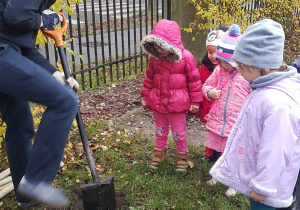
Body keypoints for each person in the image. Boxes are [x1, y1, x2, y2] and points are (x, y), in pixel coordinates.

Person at [209, 19, 300, 209]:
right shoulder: (270, 88)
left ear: (254, 66)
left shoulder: (277, 102)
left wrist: (263, 186)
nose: (239, 72)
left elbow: (277, 147)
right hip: (261, 177)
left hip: (270, 191)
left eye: (240, 67)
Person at [0, 0, 79, 208]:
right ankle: (35, 181)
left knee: (19, 124)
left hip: (8, 52)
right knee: (65, 101)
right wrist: (43, 19)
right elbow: (16, 16)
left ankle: (26, 196)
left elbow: (24, 48)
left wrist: (55, 74)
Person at [140, 19, 203, 173]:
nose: (159, 49)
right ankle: (160, 153)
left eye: (163, 46)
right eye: (156, 46)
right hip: (158, 102)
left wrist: (195, 101)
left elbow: (194, 80)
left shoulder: (186, 58)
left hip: (177, 105)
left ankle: (182, 156)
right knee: (160, 130)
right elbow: (149, 78)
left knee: (179, 132)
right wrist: (145, 95)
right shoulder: (155, 59)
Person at [202, 24, 251, 196]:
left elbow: (254, 95)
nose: (221, 64)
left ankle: (235, 183)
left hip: (236, 122)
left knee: (236, 153)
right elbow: (206, 84)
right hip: (219, 120)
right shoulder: (218, 71)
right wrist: (209, 92)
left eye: (225, 62)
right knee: (221, 151)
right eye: (220, 61)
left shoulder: (246, 76)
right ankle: (219, 175)